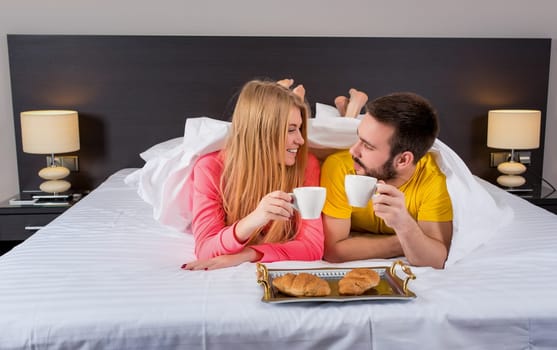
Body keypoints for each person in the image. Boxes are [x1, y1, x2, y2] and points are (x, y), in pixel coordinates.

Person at [181, 79, 323, 270]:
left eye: (300, 129)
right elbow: (205, 249)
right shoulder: (209, 169)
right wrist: (256, 218)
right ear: (261, 131)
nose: (300, 140)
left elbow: (313, 247)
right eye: (291, 130)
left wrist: (249, 254)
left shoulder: (307, 166)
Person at [320, 91, 453, 269]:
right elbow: (334, 252)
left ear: (403, 160)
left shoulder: (433, 180)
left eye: (368, 146)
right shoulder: (340, 167)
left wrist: (403, 223)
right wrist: (405, 241)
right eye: (359, 138)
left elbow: (435, 259)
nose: (353, 150)